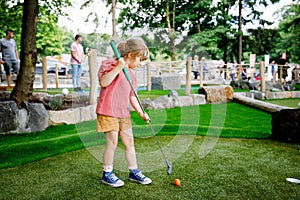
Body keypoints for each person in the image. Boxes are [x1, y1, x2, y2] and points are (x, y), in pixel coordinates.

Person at [96, 38, 152, 187]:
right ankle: (107, 173)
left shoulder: (132, 75)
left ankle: (134, 172)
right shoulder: (109, 65)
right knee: (112, 142)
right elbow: (103, 82)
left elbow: (132, 96)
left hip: (123, 113)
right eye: (140, 59)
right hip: (108, 111)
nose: (140, 63)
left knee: (129, 142)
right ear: (131, 55)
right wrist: (118, 67)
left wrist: (141, 113)